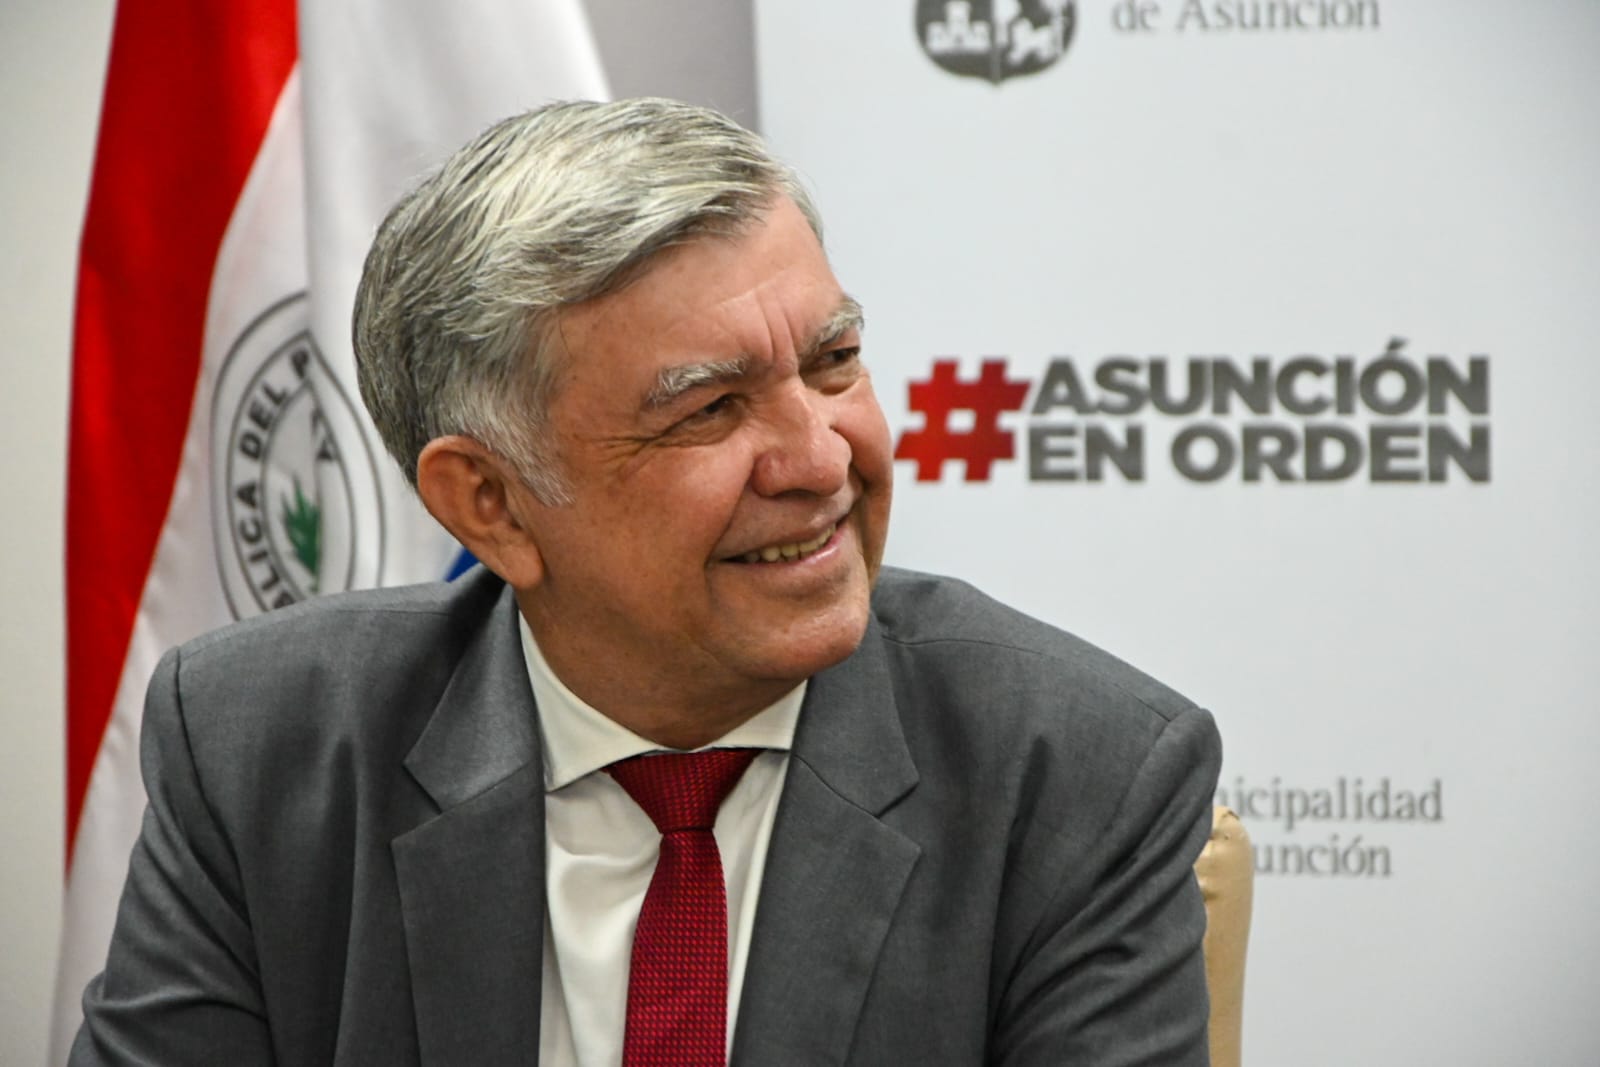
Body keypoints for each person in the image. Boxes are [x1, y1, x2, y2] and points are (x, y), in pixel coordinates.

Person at [72, 98, 1222, 1066]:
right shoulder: (261, 747)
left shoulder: (1076, 772)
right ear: (491, 502)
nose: (819, 459)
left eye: (832, 363)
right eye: (709, 409)